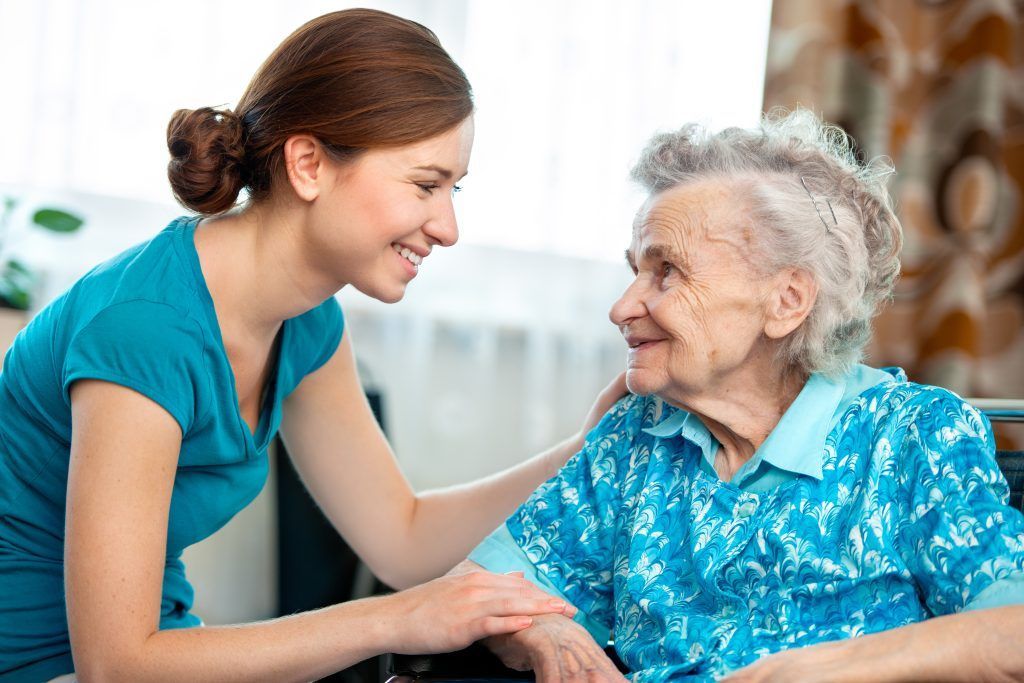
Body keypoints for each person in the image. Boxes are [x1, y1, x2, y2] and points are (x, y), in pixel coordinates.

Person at [0, 9, 626, 682]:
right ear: (307, 164)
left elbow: (402, 537)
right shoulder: (146, 329)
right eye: (425, 184)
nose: (447, 226)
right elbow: (116, 663)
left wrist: (587, 451)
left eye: (454, 189)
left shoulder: (307, 323)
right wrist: (396, 617)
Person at [461, 110, 1024, 682]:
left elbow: (1012, 633)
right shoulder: (636, 437)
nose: (622, 307)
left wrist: (824, 669)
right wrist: (546, 631)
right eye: (635, 271)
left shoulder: (912, 435)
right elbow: (482, 588)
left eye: (668, 272)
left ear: (786, 301)